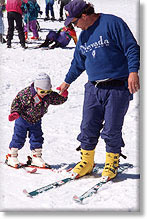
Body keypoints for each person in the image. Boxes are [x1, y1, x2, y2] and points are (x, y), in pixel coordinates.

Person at [58, 0, 140, 180]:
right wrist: (67, 82)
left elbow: (131, 47)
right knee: (87, 126)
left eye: (74, 21)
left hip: (117, 87)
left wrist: (133, 71)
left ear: (85, 15)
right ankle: (87, 161)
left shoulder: (112, 23)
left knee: (111, 128)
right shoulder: (84, 35)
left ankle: (111, 162)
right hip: (93, 88)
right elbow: (78, 62)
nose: (74, 25)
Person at [6, 73, 68, 168]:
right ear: (36, 87)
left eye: (48, 91)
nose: (45, 94)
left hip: (36, 120)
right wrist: (15, 112)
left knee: (37, 137)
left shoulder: (48, 95)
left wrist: (63, 96)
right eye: (42, 92)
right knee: (19, 137)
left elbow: (56, 100)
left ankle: (36, 156)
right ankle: (12, 155)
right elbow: (17, 102)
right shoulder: (26, 94)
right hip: (22, 119)